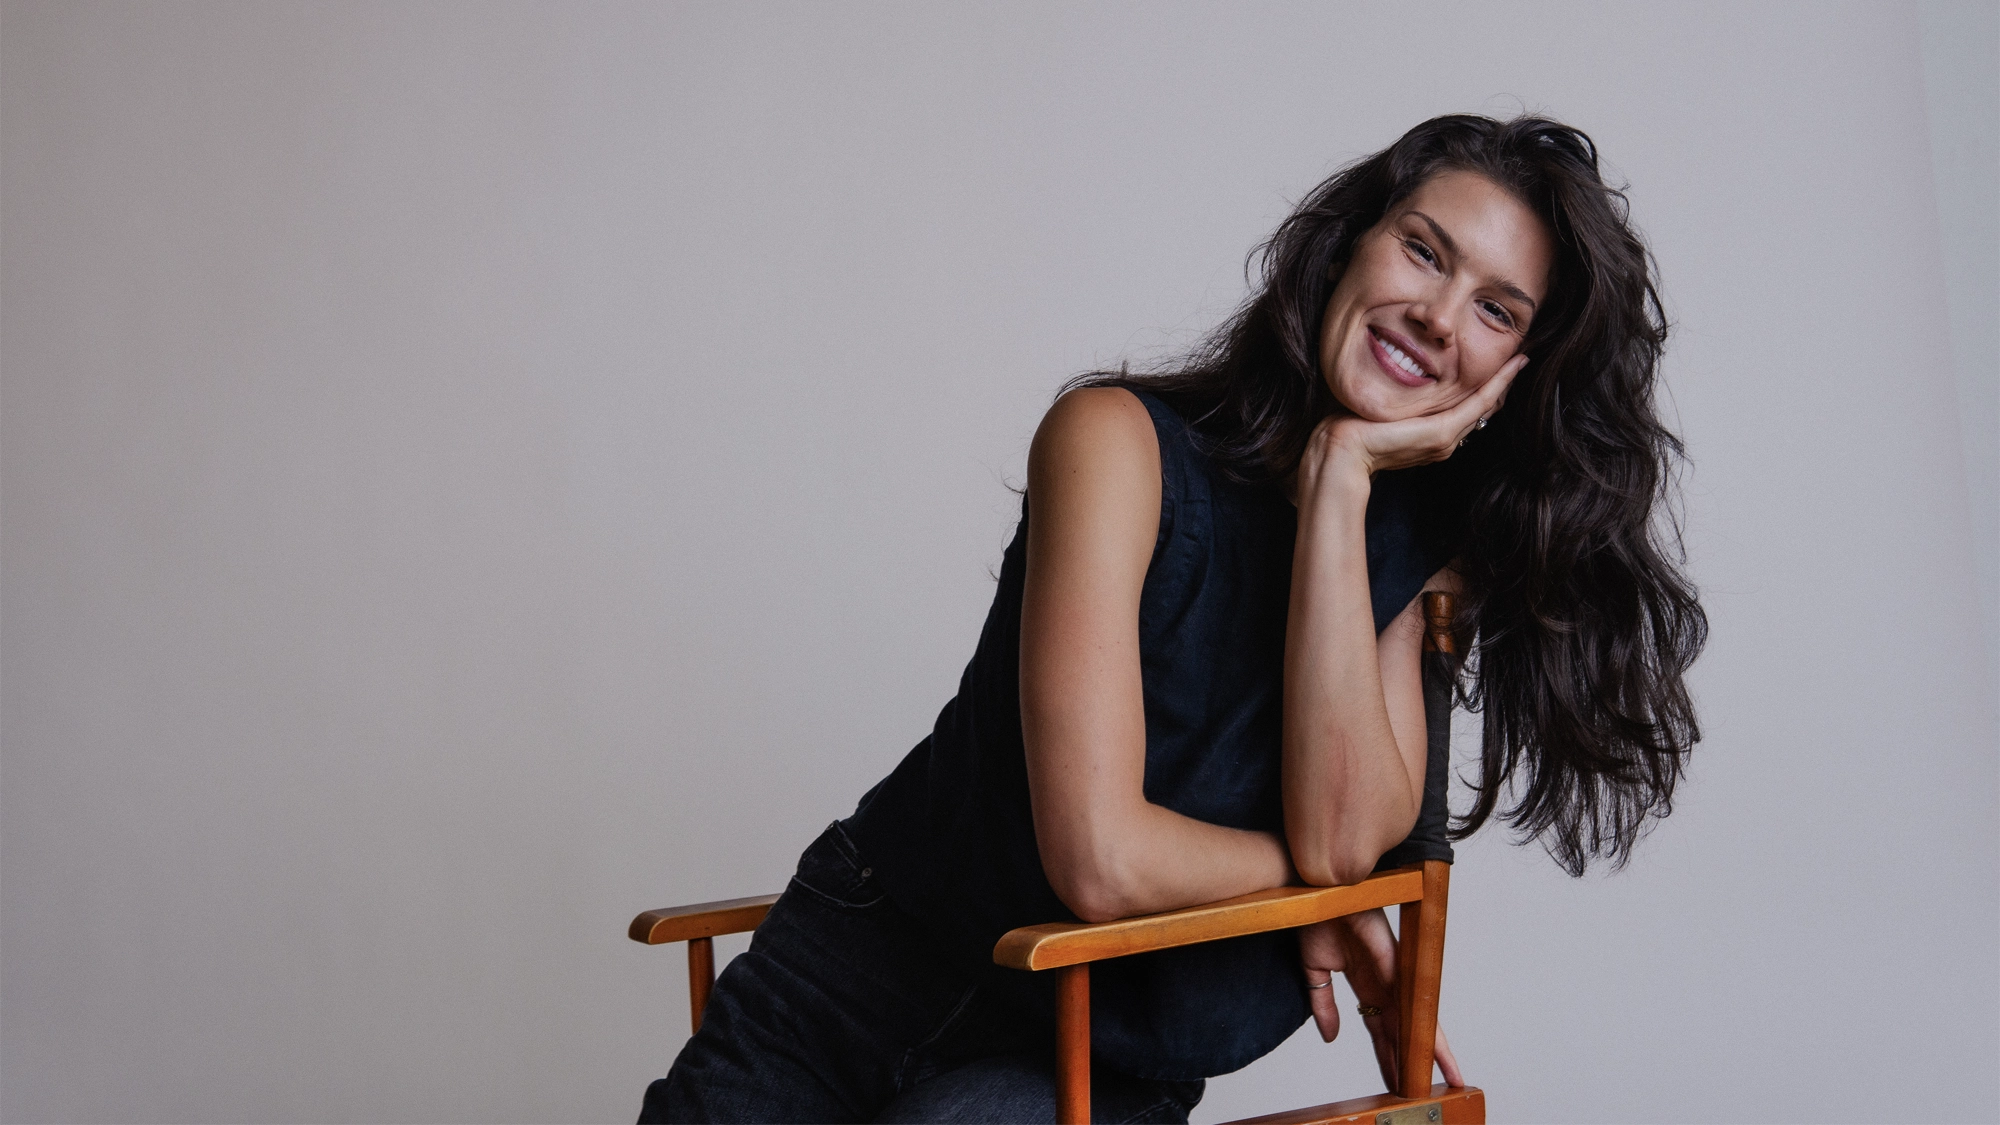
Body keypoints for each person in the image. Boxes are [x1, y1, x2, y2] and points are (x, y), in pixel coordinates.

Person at [641, 113, 1707, 1124]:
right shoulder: (1113, 443)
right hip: (851, 985)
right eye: (1423, 253)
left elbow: (1340, 839)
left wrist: (1340, 482)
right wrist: (1323, 895)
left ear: (1515, 373)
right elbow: (1100, 858)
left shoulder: (1419, 562)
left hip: (1086, 1066)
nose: (1437, 316)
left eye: (1494, 309)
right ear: (1349, 246)